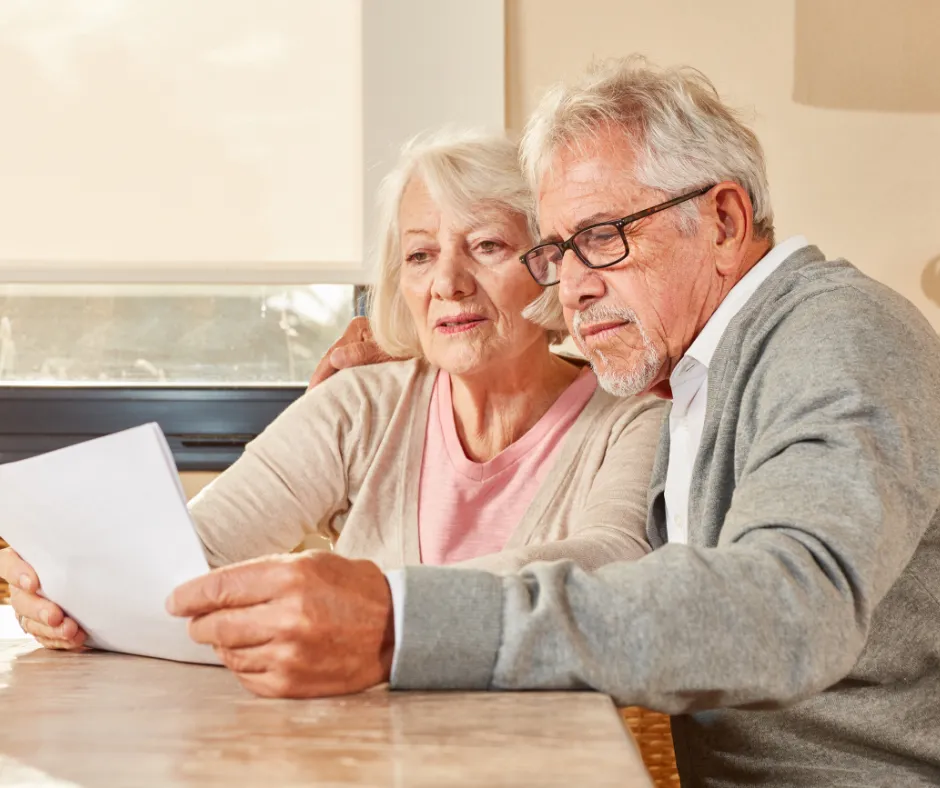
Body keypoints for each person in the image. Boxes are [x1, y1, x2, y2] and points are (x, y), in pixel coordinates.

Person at [162, 57, 940, 786]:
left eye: (602, 238)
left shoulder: (839, 334)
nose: (572, 288)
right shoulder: (693, 378)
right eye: (558, 252)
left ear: (727, 221)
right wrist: (403, 351)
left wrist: (403, 619)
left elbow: (791, 607)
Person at [0, 130, 663, 664]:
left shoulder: (629, 416)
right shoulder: (360, 407)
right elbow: (191, 556)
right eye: (421, 255)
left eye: (487, 245)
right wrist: (63, 595)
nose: (448, 283)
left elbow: (611, 564)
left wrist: (376, 603)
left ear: (548, 263)